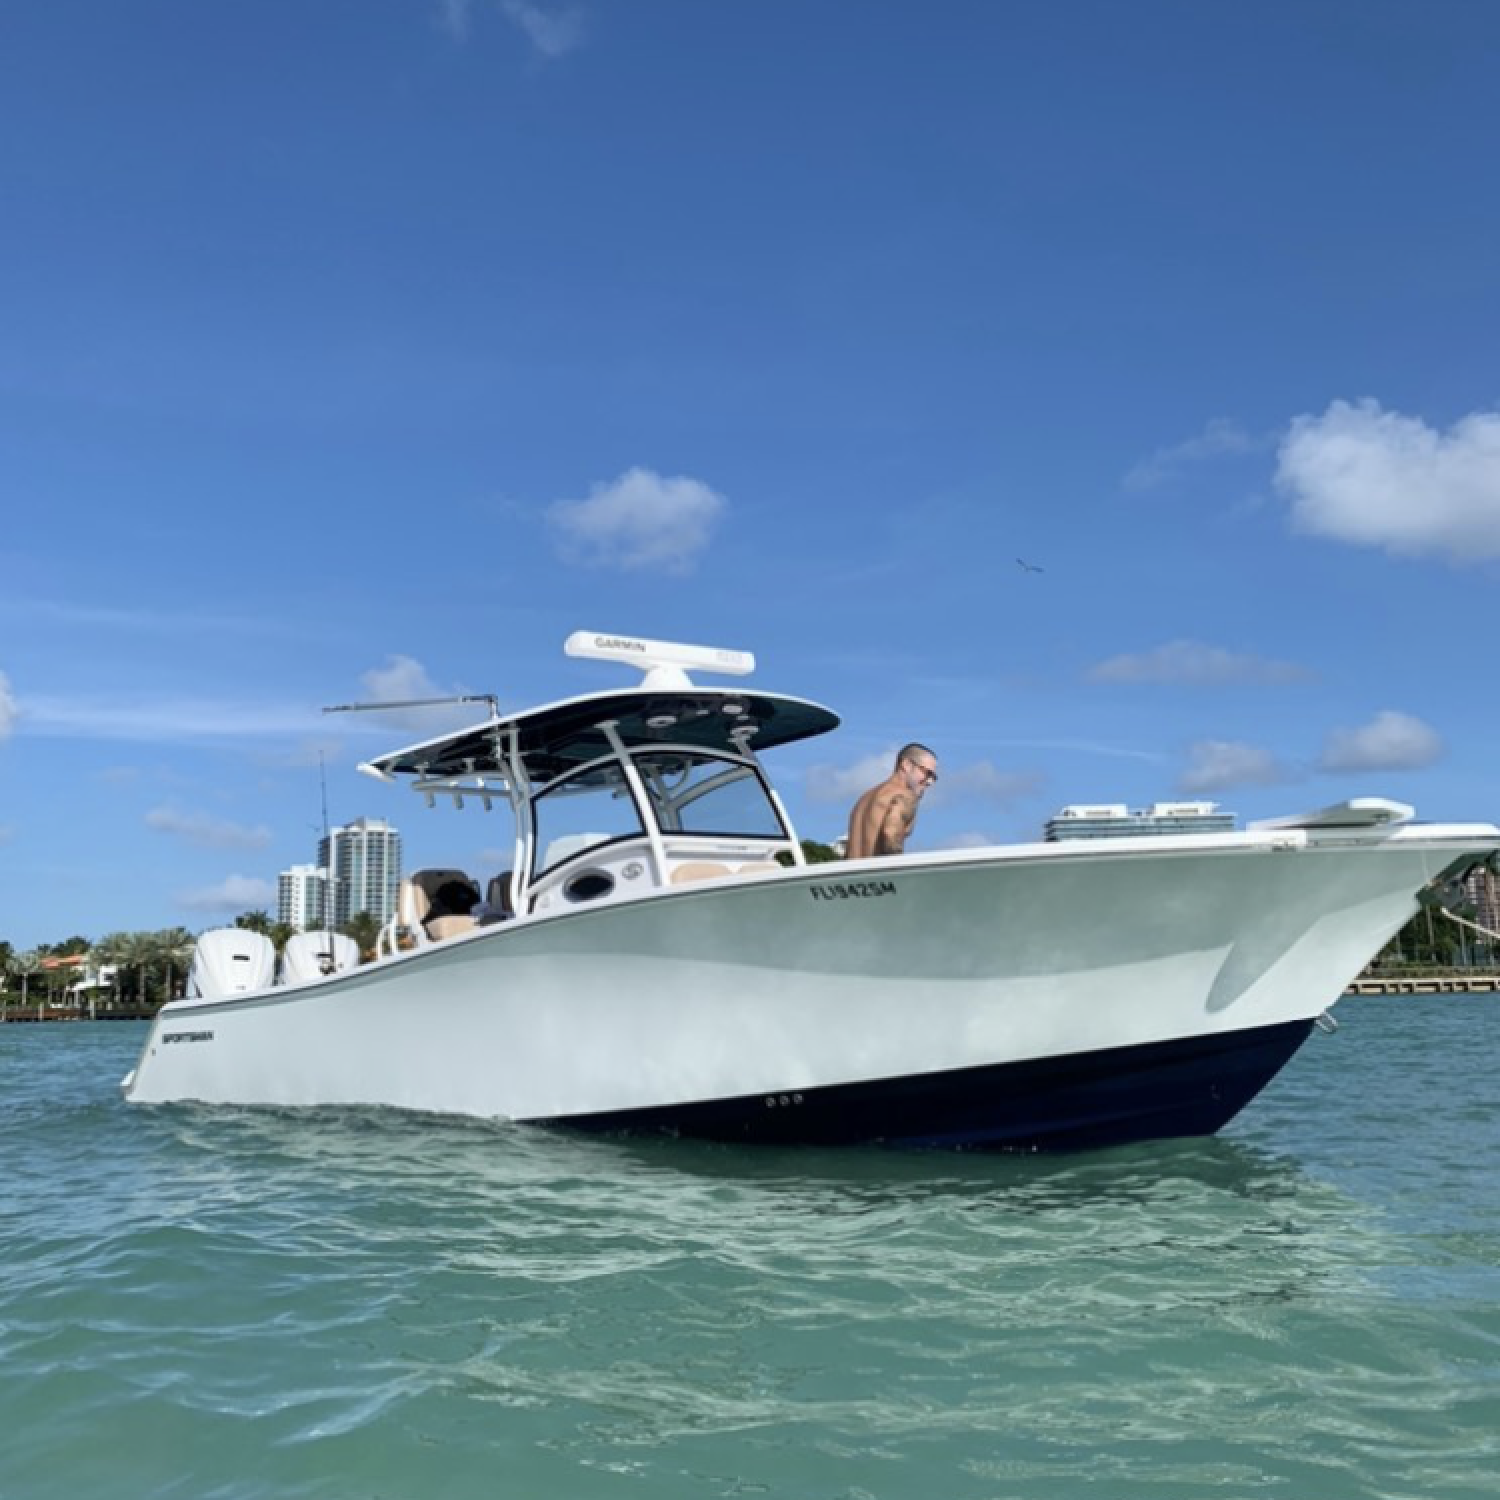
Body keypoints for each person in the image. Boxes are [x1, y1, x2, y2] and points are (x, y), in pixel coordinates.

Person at [845, 743, 939, 860]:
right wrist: (898, 874)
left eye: (934, 777)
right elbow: (891, 835)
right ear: (906, 765)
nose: (929, 781)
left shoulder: (863, 800)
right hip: (881, 875)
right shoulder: (905, 796)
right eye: (927, 773)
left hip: (853, 875)